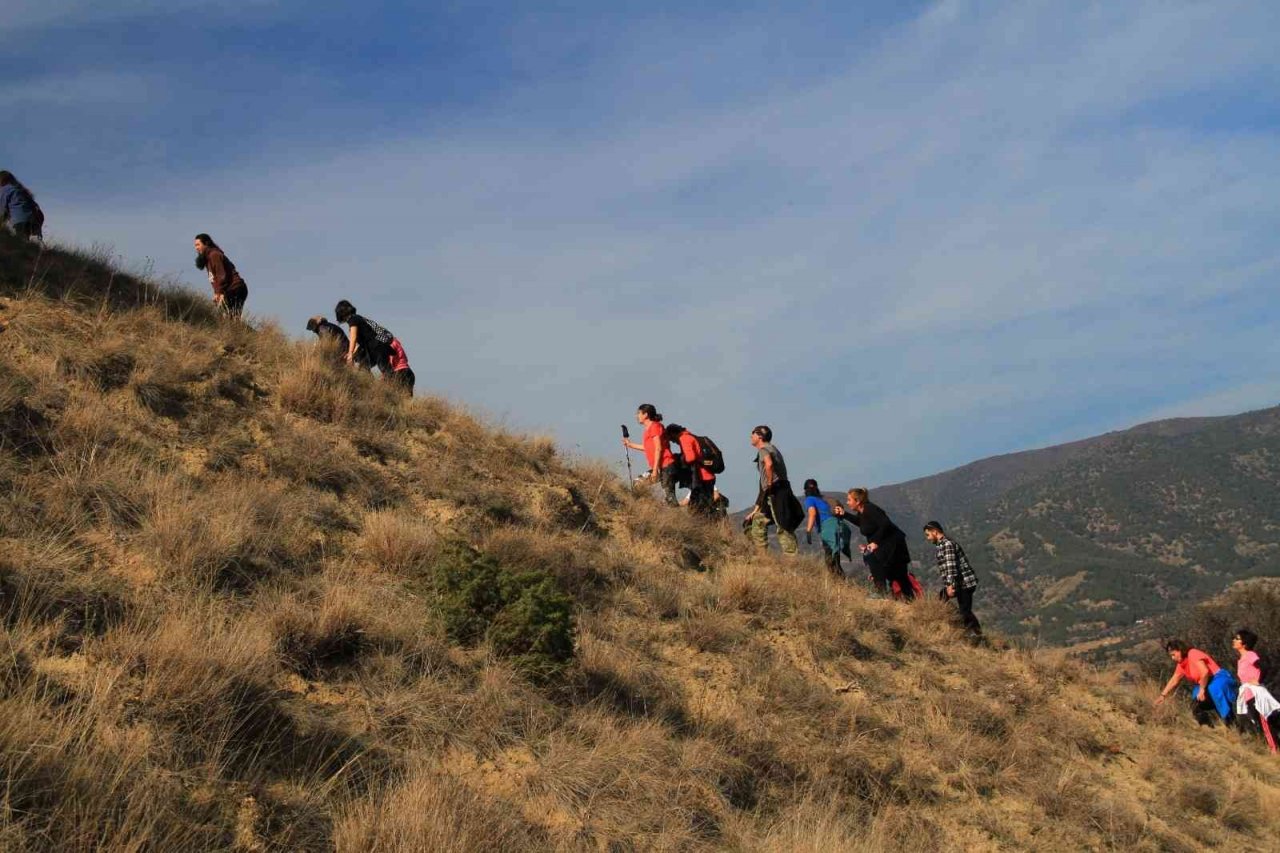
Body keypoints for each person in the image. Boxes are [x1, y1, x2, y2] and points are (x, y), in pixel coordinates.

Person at [833, 488, 914, 599]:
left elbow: (885, 523)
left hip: (894, 545)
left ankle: (881, 592)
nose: (847, 502)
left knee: (878, 562)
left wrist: (875, 542)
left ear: (857, 501)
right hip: (887, 545)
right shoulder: (862, 512)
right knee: (897, 575)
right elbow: (862, 523)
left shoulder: (870, 509)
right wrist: (844, 514)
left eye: (849, 500)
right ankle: (906, 599)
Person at [333, 300, 414, 393]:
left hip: (378, 348)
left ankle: (392, 391)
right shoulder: (358, 319)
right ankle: (371, 389)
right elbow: (358, 343)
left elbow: (353, 337)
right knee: (363, 368)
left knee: (387, 372)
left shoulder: (353, 319)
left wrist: (351, 353)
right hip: (373, 349)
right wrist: (349, 355)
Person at [744, 425, 801, 555]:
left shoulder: (764, 450)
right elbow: (762, 483)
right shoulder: (773, 449)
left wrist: (770, 483)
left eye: (752, 434)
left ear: (759, 436)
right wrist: (755, 509)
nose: (750, 437)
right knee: (757, 520)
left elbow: (768, 464)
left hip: (776, 491)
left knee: (783, 525)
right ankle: (762, 555)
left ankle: (791, 558)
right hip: (778, 490)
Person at [1155, 640, 1238, 726]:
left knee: (1215, 696)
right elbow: (1174, 679)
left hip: (1216, 679)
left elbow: (1205, 672)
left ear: (1180, 650)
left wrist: (1202, 689)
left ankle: (1231, 724)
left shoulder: (1193, 653)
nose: (1173, 658)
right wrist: (1163, 695)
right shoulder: (1182, 664)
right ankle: (1209, 728)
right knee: (1195, 705)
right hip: (1205, 684)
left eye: (1173, 654)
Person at [924, 521, 981, 636]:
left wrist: (950, 586)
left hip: (965, 583)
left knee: (964, 610)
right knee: (957, 605)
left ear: (935, 532)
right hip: (960, 582)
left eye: (928, 534)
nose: (928, 538)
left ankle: (969, 635)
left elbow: (951, 566)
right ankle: (976, 632)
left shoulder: (947, 545)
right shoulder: (942, 545)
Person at [1232, 628, 1278, 753]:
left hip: (1256, 695)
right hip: (1247, 696)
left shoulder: (1250, 655)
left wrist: (1259, 680)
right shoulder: (1241, 659)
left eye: (1237, 638)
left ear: (1244, 643)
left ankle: (1274, 751)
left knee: (1265, 723)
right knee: (1258, 723)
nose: (1234, 640)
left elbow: (1264, 666)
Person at [621, 404, 678, 504]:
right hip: (660, 467)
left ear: (646, 414)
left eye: (638, 413)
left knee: (670, 499)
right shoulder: (648, 429)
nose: (636, 416)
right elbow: (648, 448)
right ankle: (643, 506)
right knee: (637, 483)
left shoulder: (655, 427)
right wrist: (630, 445)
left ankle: (677, 518)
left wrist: (655, 471)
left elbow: (658, 448)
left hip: (666, 466)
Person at [193, 234, 249, 317]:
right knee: (230, 319)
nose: (196, 248)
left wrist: (220, 292)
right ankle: (241, 329)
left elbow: (221, 275)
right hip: (231, 290)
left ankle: (245, 330)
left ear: (206, 244)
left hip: (235, 288)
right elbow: (214, 279)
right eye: (195, 245)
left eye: (198, 245)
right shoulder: (208, 259)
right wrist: (217, 294)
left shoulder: (214, 255)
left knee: (225, 318)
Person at [665, 424, 715, 514]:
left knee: (697, 509)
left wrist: (678, 458)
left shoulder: (684, 438)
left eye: (671, 439)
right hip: (707, 476)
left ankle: (705, 524)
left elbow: (690, 458)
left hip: (702, 477)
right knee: (704, 506)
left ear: (673, 434)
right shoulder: (689, 436)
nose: (673, 442)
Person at [802, 479, 843, 576]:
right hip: (836, 525)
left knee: (829, 556)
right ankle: (839, 580)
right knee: (835, 554)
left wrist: (808, 531)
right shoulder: (822, 500)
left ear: (805, 490)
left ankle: (837, 581)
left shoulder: (809, 500)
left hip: (827, 528)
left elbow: (812, 514)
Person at [0, 171, 43, 241]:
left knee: (21, 242)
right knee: (24, 240)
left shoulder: (5, 189)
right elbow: (34, 205)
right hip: (31, 219)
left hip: (19, 220)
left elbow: (2, 209)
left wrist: (2, 224)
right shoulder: (20, 190)